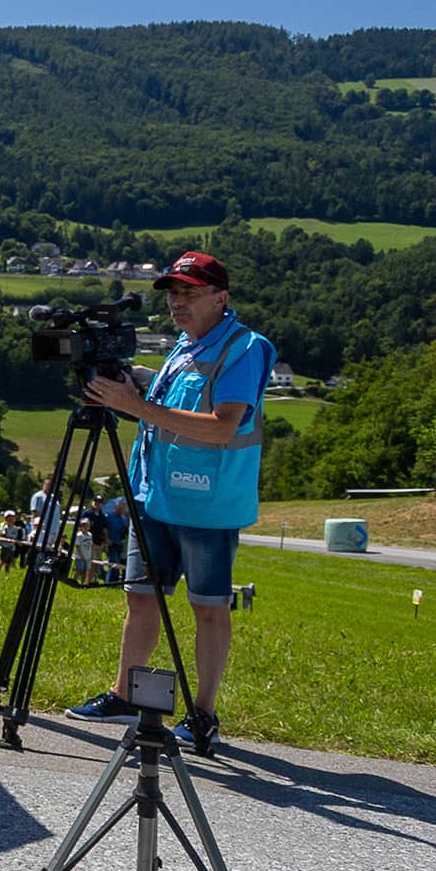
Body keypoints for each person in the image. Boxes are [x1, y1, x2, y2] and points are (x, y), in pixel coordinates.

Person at [68, 250, 275, 752]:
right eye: (174, 293)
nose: (178, 302)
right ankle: (124, 694)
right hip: (154, 494)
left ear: (221, 298)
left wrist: (134, 405)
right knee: (140, 597)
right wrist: (137, 384)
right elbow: (173, 405)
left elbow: (224, 427)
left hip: (207, 503)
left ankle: (203, 713)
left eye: (190, 293)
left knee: (208, 608)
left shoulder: (243, 348)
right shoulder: (186, 346)